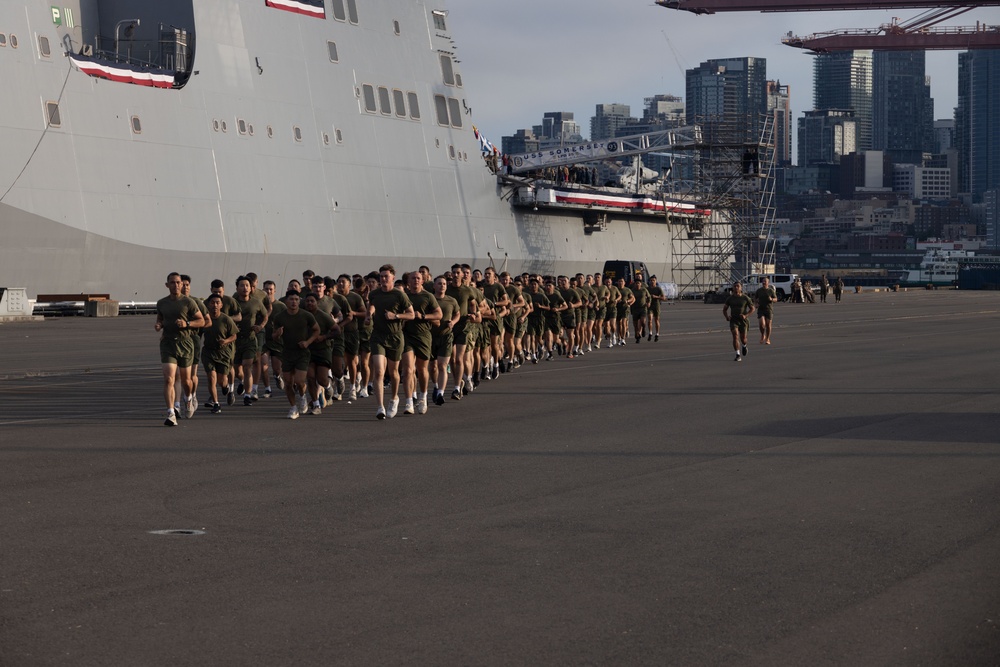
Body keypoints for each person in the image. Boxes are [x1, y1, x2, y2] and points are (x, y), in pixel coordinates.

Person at [155, 272, 206, 425]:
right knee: (169, 378)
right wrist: (159, 325)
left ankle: (188, 398)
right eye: (172, 282)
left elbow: (202, 321)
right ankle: (171, 413)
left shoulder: (188, 302)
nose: (176, 285)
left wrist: (187, 324)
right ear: (167, 285)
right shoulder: (162, 303)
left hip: (185, 344)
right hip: (168, 344)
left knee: (186, 381)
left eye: (178, 282)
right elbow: (160, 319)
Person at [366, 264, 414, 419]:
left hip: (395, 336)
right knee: (379, 370)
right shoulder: (374, 294)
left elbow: (411, 315)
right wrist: (368, 315)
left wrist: (396, 316)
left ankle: (394, 398)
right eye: (381, 276)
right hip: (378, 336)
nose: (383, 279)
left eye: (386, 276)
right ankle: (380, 407)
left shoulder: (399, 295)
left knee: (394, 373)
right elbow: (371, 305)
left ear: (393, 278)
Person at [270, 290, 320, 419]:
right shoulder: (280, 317)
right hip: (286, 352)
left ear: (299, 301)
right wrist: (278, 334)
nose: (294, 302)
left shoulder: (306, 315)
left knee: (299, 381)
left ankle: (303, 397)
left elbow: (316, 330)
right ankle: (293, 408)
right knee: (288, 382)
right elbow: (274, 336)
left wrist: (308, 342)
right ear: (286, 301)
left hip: (302, 352)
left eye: (296, 299)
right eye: (291, 299)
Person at [400, 271, 441, 414]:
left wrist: (423, 316)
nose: (416, 281)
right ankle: (409, 401)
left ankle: (423, 397)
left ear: (422, 281)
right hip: (407, 335)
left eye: (418, 278)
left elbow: (438, 314)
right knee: (408, 370)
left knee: (422, 369)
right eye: (413, 278)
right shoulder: (404, 296)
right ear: (408, 282)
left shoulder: (428, 296)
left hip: (423, 335)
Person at [233, 275, 269, 407]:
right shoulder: (233, 301)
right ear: (237, 288)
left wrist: (261, 326)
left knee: (247, 365)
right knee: (237, 369)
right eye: (242, 285)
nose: (245, 288)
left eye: (247, 285)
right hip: (235, 339)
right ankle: (242, 381)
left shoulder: (256, 302)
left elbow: (265, 315)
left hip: (250, 339)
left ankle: (247, 395)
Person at [200, 293, 238, 413]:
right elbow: (198, 333)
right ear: (208, 305)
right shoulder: (204, 319)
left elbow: (234, 335)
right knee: (211, 378)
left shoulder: (226, 319)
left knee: (222, 381)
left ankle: (226, 387)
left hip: (223, 353)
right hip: (208, 352)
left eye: (217, 303)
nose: (215, 305)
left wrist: (226, 341)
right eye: (212, 302)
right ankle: (216, 403)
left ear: (221, 305)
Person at [723, 281, 755, 362]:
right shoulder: (730, 298)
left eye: (738, 286)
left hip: (743, 321)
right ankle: (737, 354)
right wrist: (727, 317)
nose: (736, 288)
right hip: (734, 320)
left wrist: (746, 315)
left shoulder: (745, 298)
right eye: (734, 286)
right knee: (735, 335)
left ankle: (744, 346)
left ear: (741, 288)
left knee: (743, 338)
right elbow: (724, 309)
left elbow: (752, 308)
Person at [754, 276, 777, 345]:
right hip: (761, 309)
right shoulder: (759, 290)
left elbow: (776, 299)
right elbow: (755, 298)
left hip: (769, 309)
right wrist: (756, 304)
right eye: (763, 281)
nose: (764, 282)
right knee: (762, 324)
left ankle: (767, 338)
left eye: (765, 281)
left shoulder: (770, 290)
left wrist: (771, 299)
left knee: (768, 324)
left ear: (768, 283)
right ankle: (762, 335)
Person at [647, 275, 666, 342]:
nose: (652, 282)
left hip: (656, 305)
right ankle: (650, 332)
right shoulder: (648, 289)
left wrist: (656, 297)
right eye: (651, 280)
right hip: (650, 306)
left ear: (656, 281)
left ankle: (657, 333)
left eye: (653, 280)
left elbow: (664, 298)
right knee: (649, 319)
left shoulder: (658, 289)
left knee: (656, 320)